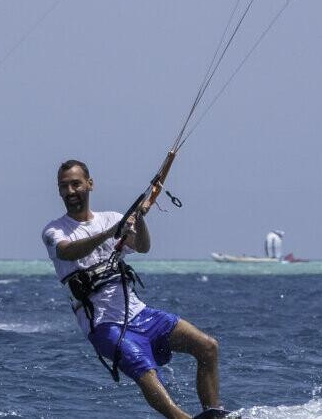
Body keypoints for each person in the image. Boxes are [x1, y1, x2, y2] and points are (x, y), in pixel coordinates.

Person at [42, 159, 224, 418]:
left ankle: (213, 412)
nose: (70, 191)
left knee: (207, 346)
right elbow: (68, 251)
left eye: (76, 184)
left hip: (140, 314)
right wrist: (109, 234)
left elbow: (142, 246)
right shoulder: (54, 230)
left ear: (89, 184)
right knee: (145, 370)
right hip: (104, 326)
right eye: (64, 187)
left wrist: (138, 219)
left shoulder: (112, 218)